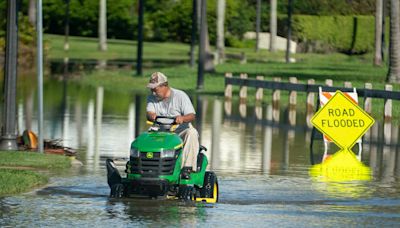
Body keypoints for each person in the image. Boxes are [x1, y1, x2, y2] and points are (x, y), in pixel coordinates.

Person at [146, 72, 199, 178]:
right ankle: (147, 167)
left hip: (179, 131)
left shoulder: (180, 96)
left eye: (155, 89)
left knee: (192, 133)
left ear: (164, 86)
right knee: (144, 138)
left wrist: (182, 118)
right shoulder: (151, 98)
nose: (153, 92)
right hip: (160, 132)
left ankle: (186, 168)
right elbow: (149, 113)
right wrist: (152, 116)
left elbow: (192, 115)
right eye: (151, 89)